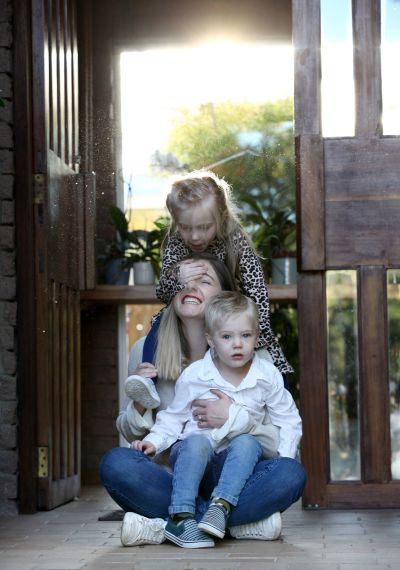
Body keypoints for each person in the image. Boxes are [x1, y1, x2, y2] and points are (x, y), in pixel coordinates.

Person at [99, 252, 306, 547]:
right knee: (116, 463)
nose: (190, 288)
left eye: (203, 281)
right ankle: (233, 525)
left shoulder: (260, 365)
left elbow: (280, 436)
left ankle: (169, 526)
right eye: (182, 282)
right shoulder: (149, 350)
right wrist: (145, 417)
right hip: (179, 476)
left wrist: (236, 418)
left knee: (289, 473)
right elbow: (158, 424)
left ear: (223, 297)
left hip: (239, 473)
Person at [125, 170, 293, 410]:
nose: (194, 236)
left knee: (271, 366)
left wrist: (252, 332)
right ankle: (149, 382)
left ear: (221, 217)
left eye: (204, 227)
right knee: (159, 325)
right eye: (185, 227)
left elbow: (257, 292)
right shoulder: (174, 240)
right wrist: (176, 277)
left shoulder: (235, 240)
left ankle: (280, 403)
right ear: (175, 220)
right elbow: (163, 292)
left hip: (233, 312)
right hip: (188, 308)